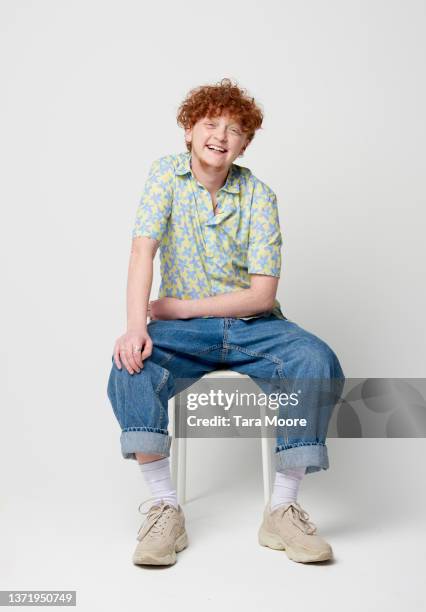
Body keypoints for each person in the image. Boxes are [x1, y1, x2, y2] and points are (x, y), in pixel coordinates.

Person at [107, 77, 345, 567]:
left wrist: (182, 306)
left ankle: (282, 507)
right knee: (130, 365)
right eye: (210, 124)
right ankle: (164, 508)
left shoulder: (259, 195)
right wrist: (137, 325)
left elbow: (262, 293)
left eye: (234, 129)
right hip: (183, 336)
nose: (220, 135)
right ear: (189, 130)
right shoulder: (164, 176)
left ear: (246, 143)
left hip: (255, 325)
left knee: (314, 358)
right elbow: (141, 251)